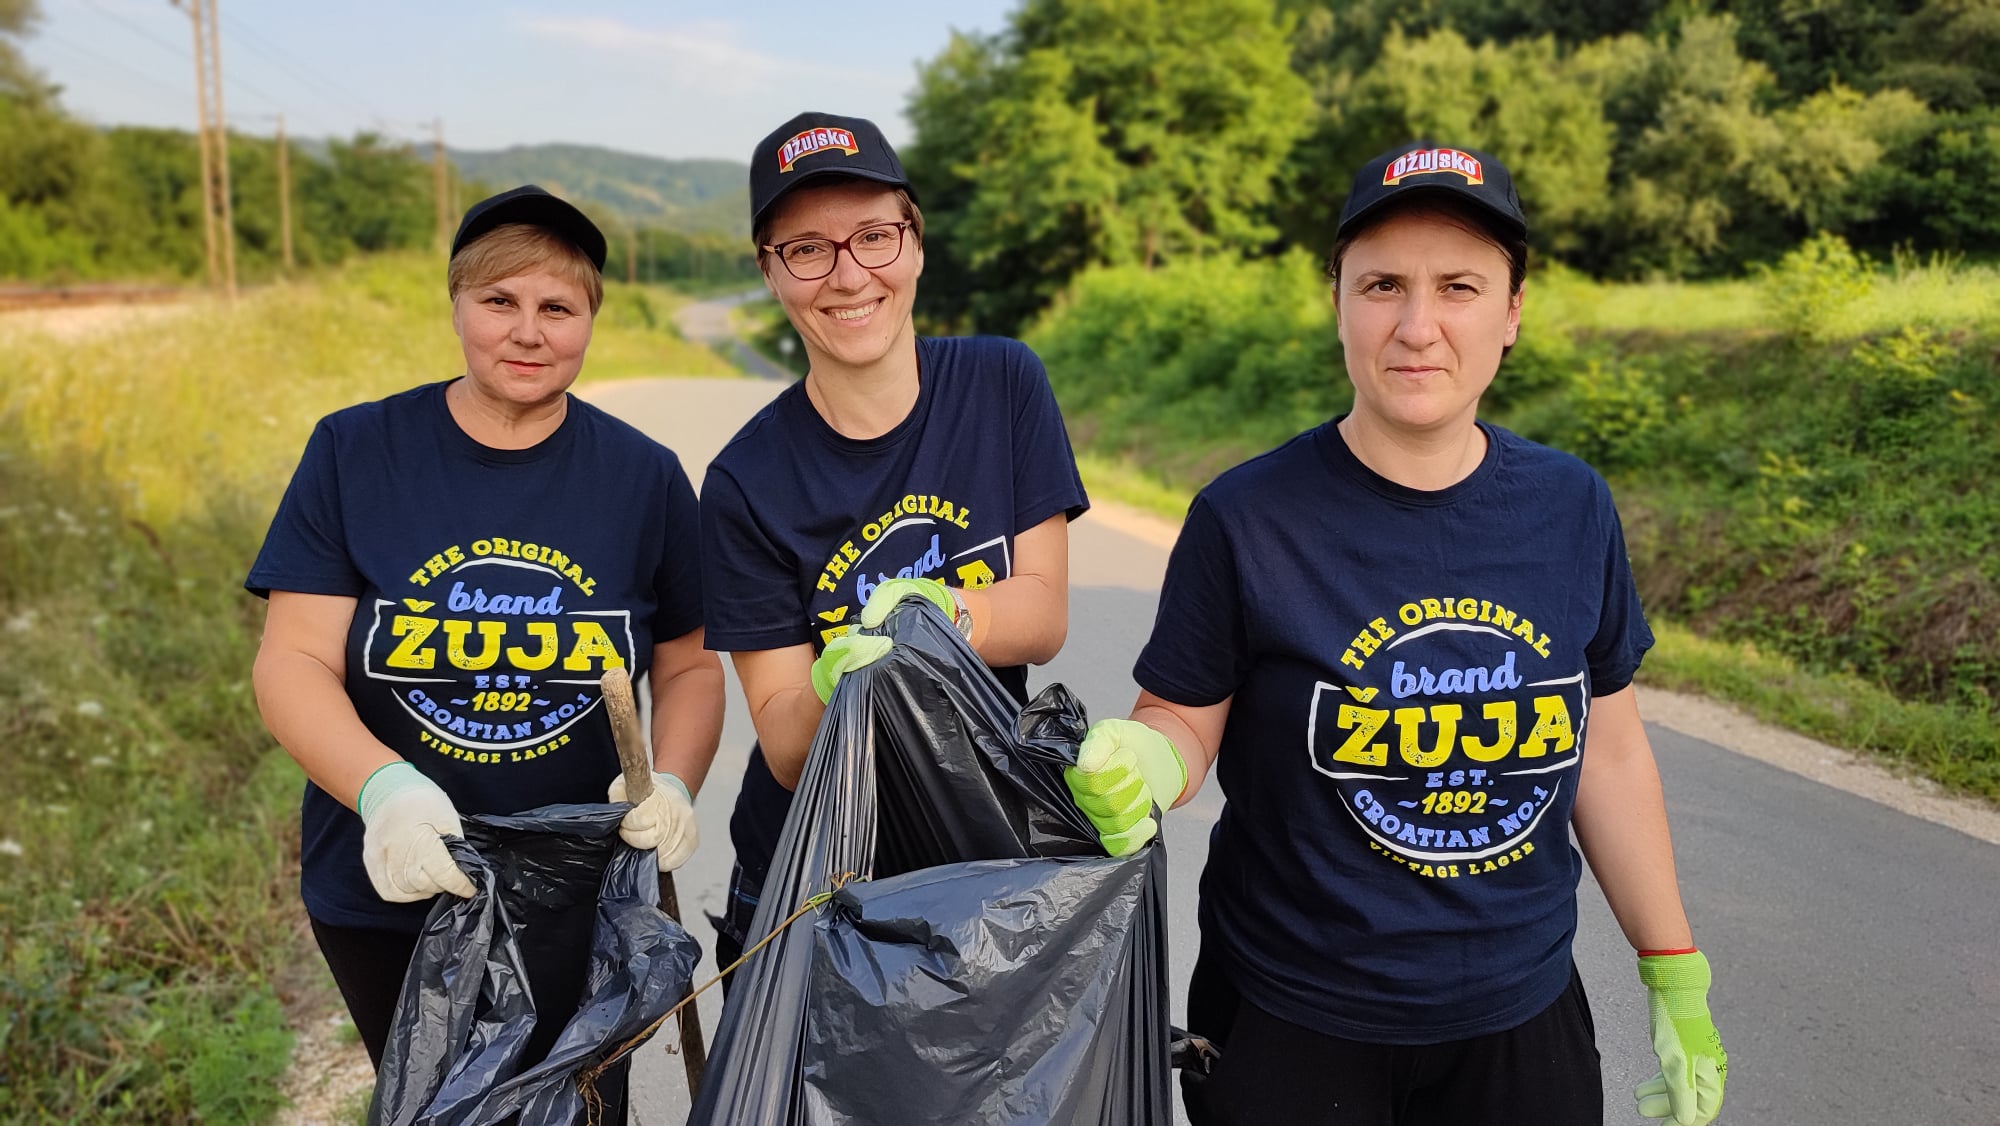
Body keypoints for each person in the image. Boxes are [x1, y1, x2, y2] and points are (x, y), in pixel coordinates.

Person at [1062, 143, 1729, 1126]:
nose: (1416, 325)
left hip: (1518, 1021)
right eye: (1381, 284)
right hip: (1290, 1022)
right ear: (1337, 302)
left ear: (1508, 313)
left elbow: (1609, 752)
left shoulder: (1570, 507)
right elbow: (1182, 718)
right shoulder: (1246, 516)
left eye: (1457, 285)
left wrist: (1672, 969)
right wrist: (1146, 760)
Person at [247, 186, 723, 1116]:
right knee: (432, 1103)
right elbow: (292, 659)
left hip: (581, 890)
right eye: (500, 302)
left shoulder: (644, 478)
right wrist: (385, 793)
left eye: (558, 307)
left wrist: (672, 781)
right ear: (458, 304)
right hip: (391, 879)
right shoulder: (356, 451)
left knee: (580, 1103)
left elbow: (691, 664)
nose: (527, 331)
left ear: (590, 319)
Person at [699, 112, 1089, 975]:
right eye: (807, 249)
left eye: (874, 237)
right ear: (770, 271)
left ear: (914, 242)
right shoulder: (743, 483)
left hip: (980, 847)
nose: (848, 275)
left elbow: (1041, 612)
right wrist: (851, 673)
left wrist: (935, 611)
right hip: (813, 879)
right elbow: (789, 746)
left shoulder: (1002, 384)